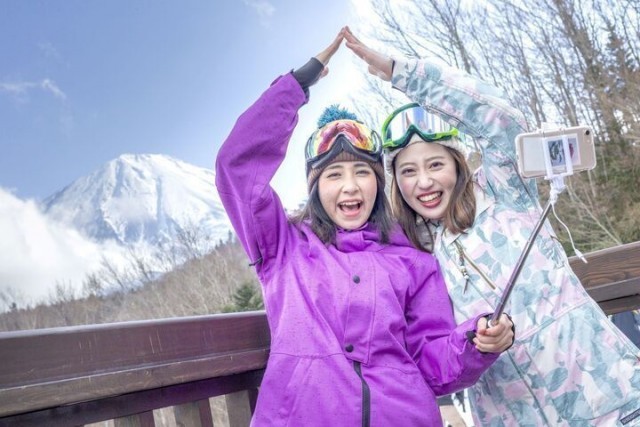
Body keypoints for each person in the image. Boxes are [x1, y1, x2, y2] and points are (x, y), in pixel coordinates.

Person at [215, 29, 514, 426]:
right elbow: (236, 166)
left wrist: (476, 343)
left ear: (378, 182)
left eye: (362, 171)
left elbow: (434, 365)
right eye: (334, 175)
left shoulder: (413, 259)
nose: (351, 186)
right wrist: (295, 87)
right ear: (315, 188)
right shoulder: (282, 246)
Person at [344, 27, 640, 426]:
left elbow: (502, 120)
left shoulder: (505, 192)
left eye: (435, 164)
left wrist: (403, 73)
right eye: (408, 171)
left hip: (609, 398)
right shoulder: (412, 255)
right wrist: (476, 343)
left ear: (457, 165)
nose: (424, 182)